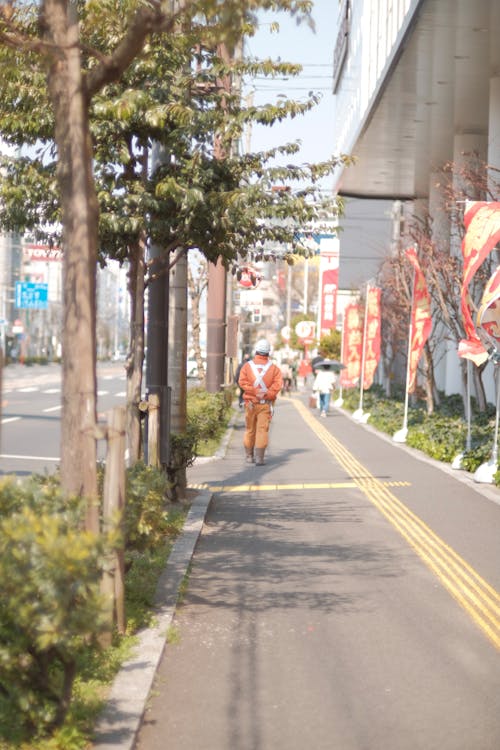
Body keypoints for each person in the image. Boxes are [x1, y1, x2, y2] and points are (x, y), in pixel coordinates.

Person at [238, 338, 283, 465]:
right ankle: (260, 458)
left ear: (256, 351)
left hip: (250, 404)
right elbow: (277, 385)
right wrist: (267, 393)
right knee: (262, 430)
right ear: (268, 353)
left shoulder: (247, 366)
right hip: (265, 404)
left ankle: (249, 456)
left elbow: (242, 382)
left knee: (249, 429)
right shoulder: (274, 369)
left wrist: (253, 391)